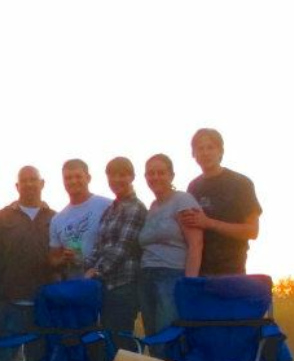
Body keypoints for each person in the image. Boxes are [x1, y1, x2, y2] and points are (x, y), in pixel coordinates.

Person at [0, 168, 55, 361]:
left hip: (42, 304)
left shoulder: (54, 218)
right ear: (17, 186)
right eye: (24, 181)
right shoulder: (1, 219)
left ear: (42, 183)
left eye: (33, 180)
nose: (29, 185)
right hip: (9, 303)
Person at [181, 129, 263, 275]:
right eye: (200, 148)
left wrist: (209, 223)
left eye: (210, 147)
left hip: (232, 271)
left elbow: (252, 231)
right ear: (194, 154)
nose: (205, 153)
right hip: (200, 273)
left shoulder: (241, 183)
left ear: (220, 151)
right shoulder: (193, 187)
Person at [139, 155, 203, 339]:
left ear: (171, 175)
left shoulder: (183, 201)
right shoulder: (152, 207)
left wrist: (189, 284)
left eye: (161, 173)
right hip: (146, 276)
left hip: (171, 276)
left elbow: (196, 244)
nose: (156, 177)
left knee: (167, 336)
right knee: (152, 336)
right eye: (151, 173)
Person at [87, 158, 146, 349]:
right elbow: (99, 245)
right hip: (105, 287)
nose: (117, 180)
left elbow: (123, 248)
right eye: (112, 175)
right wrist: (85, 264)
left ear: (132, 177)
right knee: (107, 340)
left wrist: (96, 271)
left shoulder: (135, 208)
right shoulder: (110, 209)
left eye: (122, 175)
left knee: (122, 341)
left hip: (123, 286)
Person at [48, 162, 112, 277]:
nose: (73, 181)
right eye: (68, 178)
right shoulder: (57, 219)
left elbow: (119, 246)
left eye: (78, 176)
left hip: (106, 284)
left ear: (88, 178)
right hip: (74, 288)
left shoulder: (108, 206)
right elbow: (53, 260)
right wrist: (64, 258)